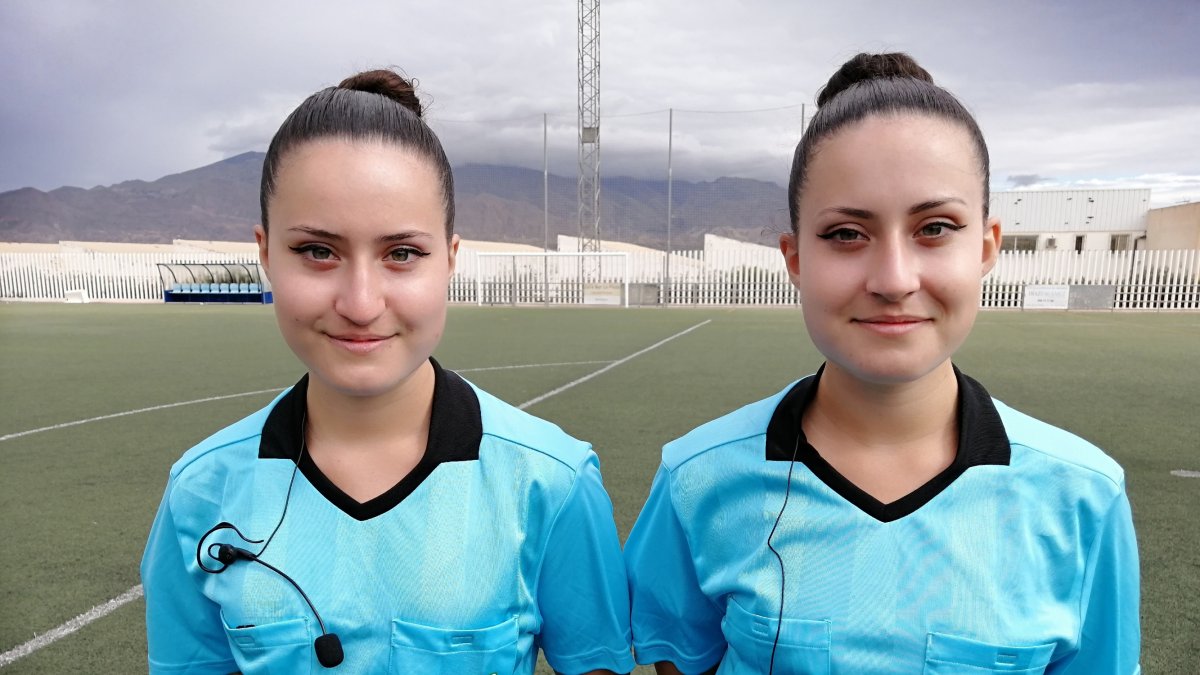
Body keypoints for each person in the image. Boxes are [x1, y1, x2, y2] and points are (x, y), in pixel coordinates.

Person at [624, 53, 1140, 675]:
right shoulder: (697, 480)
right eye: (846, 234)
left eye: (936, 227)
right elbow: (683, 660)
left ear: (984, 248)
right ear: (794, 259)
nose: (894, 280)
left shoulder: (1083, 496)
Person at [141, 69, 634, 675]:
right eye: (317, 251)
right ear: (265, 253)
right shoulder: (200, 491)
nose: (360, 302)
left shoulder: (551, 483)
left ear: (449, 260)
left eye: (402, 253)